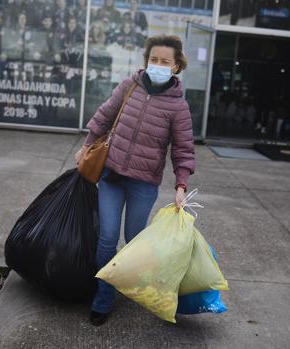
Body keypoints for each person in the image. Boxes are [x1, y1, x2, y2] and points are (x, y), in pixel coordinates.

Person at [74, 34, 196, 326]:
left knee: (133, 242)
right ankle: (102, 300)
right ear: (146, 61)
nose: (157, 65)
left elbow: (183, 149)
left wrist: (181, 185)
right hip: (112, 176)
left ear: (176, 66)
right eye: (153, 60)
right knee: (106, 239)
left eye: (165, 61)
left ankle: (132, 285)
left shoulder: (178, 108)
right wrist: (87, 144)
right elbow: (104, 115)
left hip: (144, 184)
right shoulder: (130, 86)